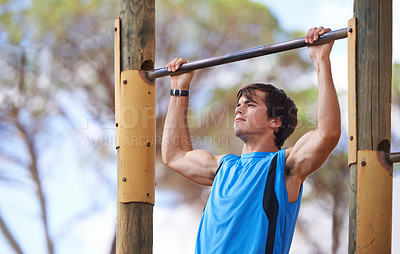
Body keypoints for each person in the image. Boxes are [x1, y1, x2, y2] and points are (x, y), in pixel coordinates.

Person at [161, 26, 340, 254]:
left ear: (275, 121)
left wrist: (320, 60)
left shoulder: (283, 167)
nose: (239, 109)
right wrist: (179, 89)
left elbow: (327, 133)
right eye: (238, 105)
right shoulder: (223, 167)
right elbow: (174, 155)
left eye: (250, 104)